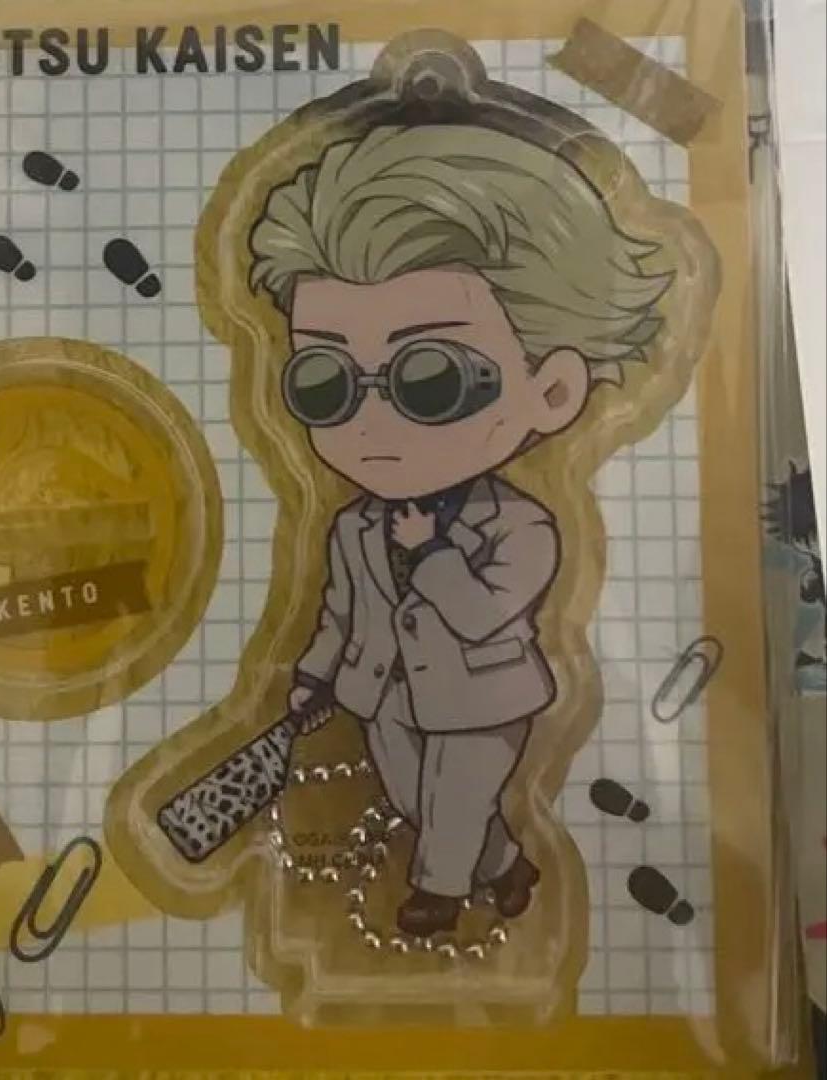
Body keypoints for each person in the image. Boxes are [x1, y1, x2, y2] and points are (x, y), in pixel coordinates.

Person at [248, 123, 670, 937]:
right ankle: (506, 867)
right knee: (419, 798)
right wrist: (314, 676)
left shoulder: (521, 526)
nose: (370, 421)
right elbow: (341, 612)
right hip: (385, 696)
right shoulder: (354, 526)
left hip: (485, 699)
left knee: (451, 802)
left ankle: (435, 898)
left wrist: (431, 555)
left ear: (551, 391)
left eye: (430, 378)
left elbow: (482, 615)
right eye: (325, 381)